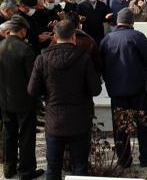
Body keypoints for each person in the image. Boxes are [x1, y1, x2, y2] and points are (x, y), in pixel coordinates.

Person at [27, 19, 102, 180]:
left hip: (54, 120)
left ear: (54, 36)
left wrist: (46, 92)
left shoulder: (42, 59)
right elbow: (96, 89)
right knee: (80, 167)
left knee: (53, 168)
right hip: (80, 119)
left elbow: (32, 90)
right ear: (74, 36)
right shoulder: (83, 58)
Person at [99, 8, 147, 168]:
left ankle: (124, 160)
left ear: (118, 22)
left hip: (117, 91)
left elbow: (100, 63)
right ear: (132, 22)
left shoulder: (107, 39)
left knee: (121, 127)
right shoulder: (137, 36)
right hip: (139, 90)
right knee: (143, 124)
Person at [0, 15, 43, 180]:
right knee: (26, 136)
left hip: (4, 99)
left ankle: (9, 168)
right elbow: (33, 77)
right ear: (22, 31)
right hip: (24, 100)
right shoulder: (26, 49)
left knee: (8, 134)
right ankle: (26, 171)